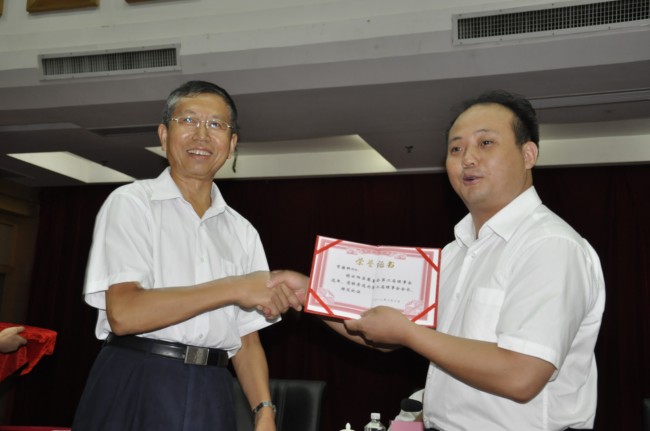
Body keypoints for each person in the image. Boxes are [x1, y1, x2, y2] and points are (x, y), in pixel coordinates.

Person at [270, 90, 606, 430]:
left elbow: (522, 375)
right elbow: (384, 333)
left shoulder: (549, 245)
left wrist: (408, 333)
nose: (468, 159)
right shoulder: (454, 253)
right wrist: (311, 293)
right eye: (456, 149)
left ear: (528, 154)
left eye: (485, 143)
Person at [72, 80, 300, 431]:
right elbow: (125, 313)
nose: (202, 135)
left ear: (232, 144)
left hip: (214, 387)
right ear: (164, 135)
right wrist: (235, 287)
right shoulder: (132, 203)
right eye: (189, 120)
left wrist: (264, 410)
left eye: (216, 125)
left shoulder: (242, 231)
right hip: (138, 375)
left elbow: (246, 338)